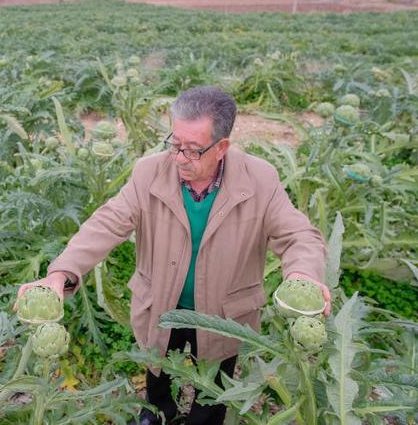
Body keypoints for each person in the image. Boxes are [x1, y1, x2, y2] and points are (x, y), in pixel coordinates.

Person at [16, 86, 329, 425]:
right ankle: (156, 413)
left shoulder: (260, 179)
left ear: (221, 147)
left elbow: (300, 235)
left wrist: (303, 275)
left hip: (224, 314)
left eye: (192, 150)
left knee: (214, 389)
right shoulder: (149, 173)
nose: (179, 157)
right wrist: (61, 273)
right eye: (174, 143)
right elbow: (106, 223)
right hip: (162, 305)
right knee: (158, 372)